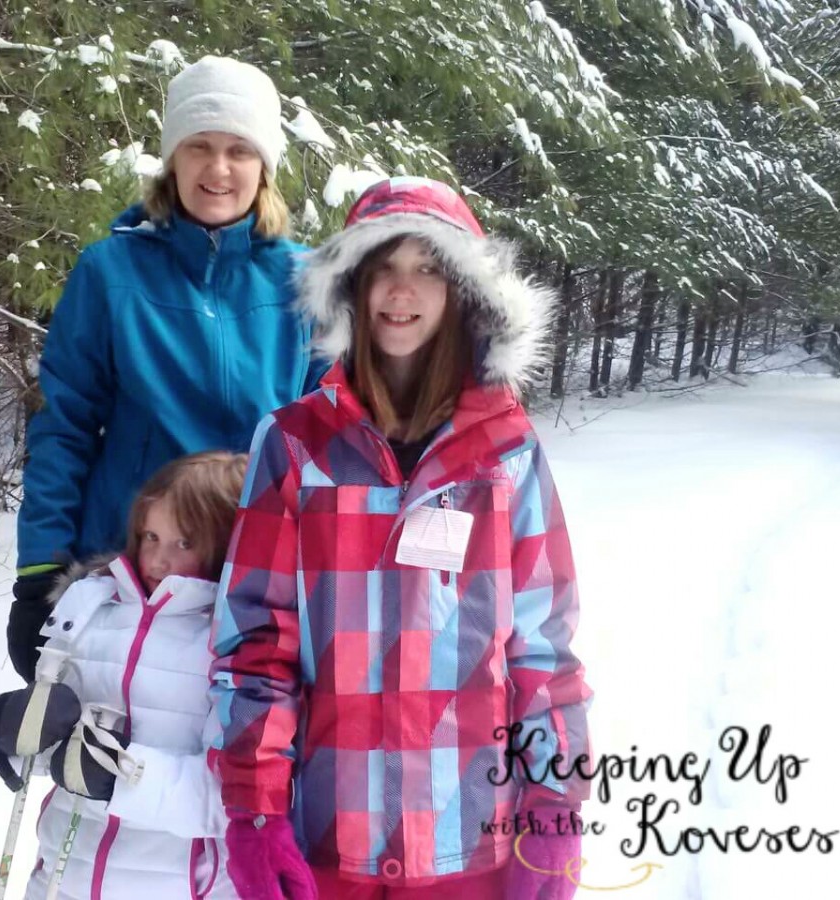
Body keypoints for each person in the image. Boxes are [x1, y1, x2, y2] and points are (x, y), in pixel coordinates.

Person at [210, 177, 593, 900]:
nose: (401, 289)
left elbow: (543, 652)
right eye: (383, 265)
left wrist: (556, 807)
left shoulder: (507, 453)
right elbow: (256, 645)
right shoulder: (294, 447)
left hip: (471, 843)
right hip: (331, 844)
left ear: (461, 293)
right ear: (352, 285)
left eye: (427, 268)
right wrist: (254, 812)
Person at [9, 55, 325, 683]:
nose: (218, 168)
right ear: (172, 159)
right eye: (199, 146)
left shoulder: (306, 281)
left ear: (263, 166)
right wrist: (39, 571)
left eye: (239, 149)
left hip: (256, 576)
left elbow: (328, 438)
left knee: (244, 767)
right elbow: (64, 427)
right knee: (112, 766)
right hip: (131, 574)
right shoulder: (110, 273)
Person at [0, 451, 248, 900]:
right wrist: (10, 731)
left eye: (184, 543)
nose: (158, 559)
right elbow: (53, 750)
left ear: (225, 542)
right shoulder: (89, 609)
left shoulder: (234, 641)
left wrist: (122, 776)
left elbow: (232, 799)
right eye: (151, 536)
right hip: (61, 879)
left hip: (178, 887)